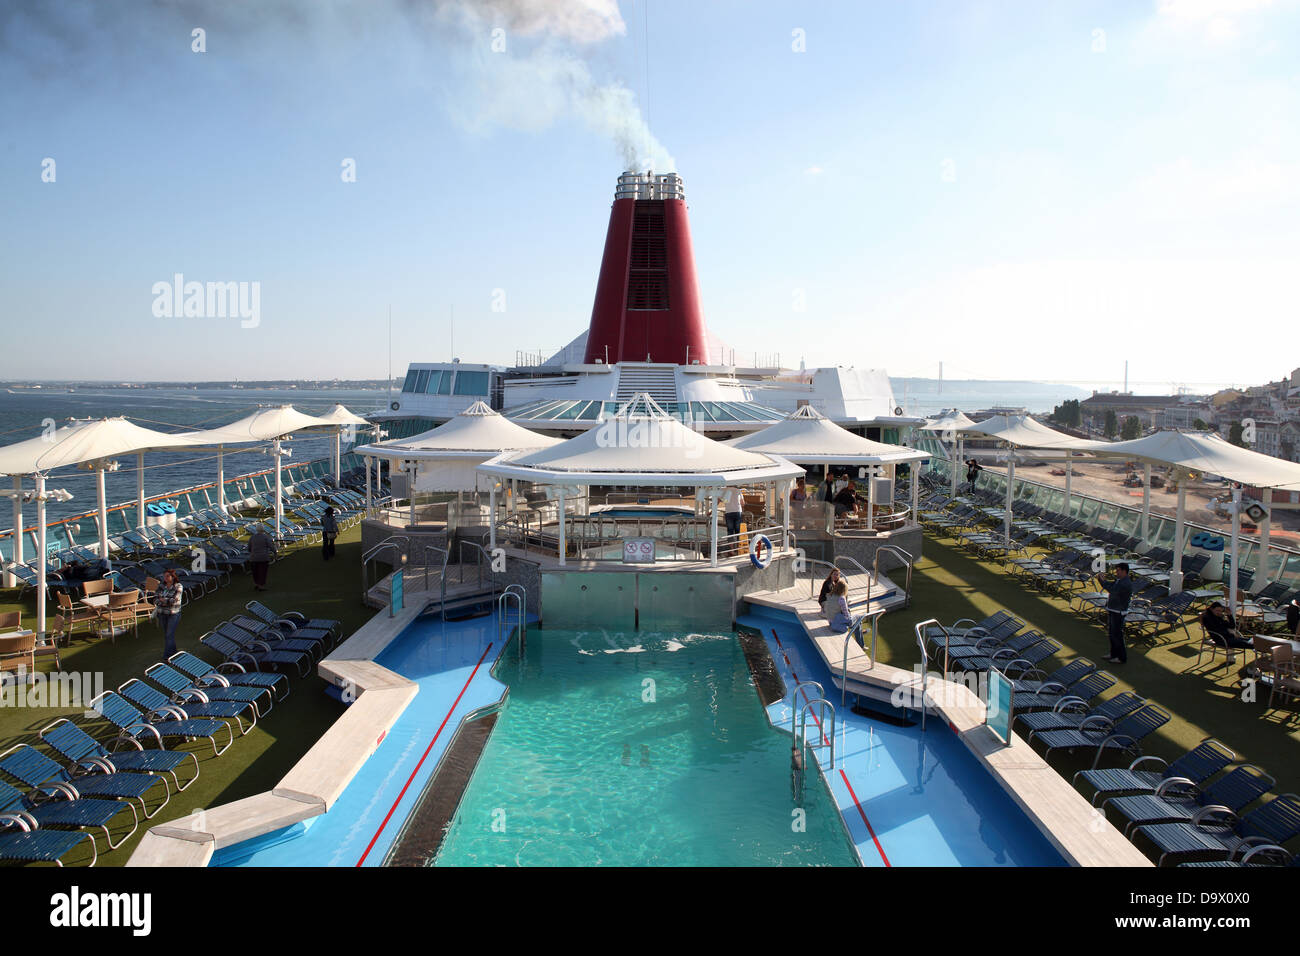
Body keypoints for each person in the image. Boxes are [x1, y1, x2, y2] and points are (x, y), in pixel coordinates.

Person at [1098, 562, 1133, 664]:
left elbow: (1112, 590)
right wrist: (1102, 581)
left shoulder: (1125, 583)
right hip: (1113, 609)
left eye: (1118, 571)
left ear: (1124, 571)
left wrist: (1102, 581)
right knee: (1112, 634)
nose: (1116, 572)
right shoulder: (1119, 580)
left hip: (1119, 612)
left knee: (1117, 635)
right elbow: (1110, 585)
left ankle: (1121, 657)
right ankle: (1113, 654)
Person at [155, 568, 183, 658]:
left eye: (168, 576)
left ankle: (167, 656)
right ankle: (174, 652)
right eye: (164, 576)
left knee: (169, 634)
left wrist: (163, 600)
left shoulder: (178, 586)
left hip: (173, 614)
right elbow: (155, 599)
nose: (165, 578)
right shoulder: (161, 586)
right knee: (168, 635)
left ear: (173, 577)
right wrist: (165, 601)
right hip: (162, 614)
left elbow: (174, 601)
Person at [248, 525, 277, 591]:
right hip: (263, 557)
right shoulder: (265, 537)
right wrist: (275, 552)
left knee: (255, 571)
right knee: (262, 571)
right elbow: (271, 546)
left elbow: (249, 547)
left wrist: (252, 552)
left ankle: (256, 583)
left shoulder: (252, 537)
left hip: (254, 557)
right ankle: (261, 585)